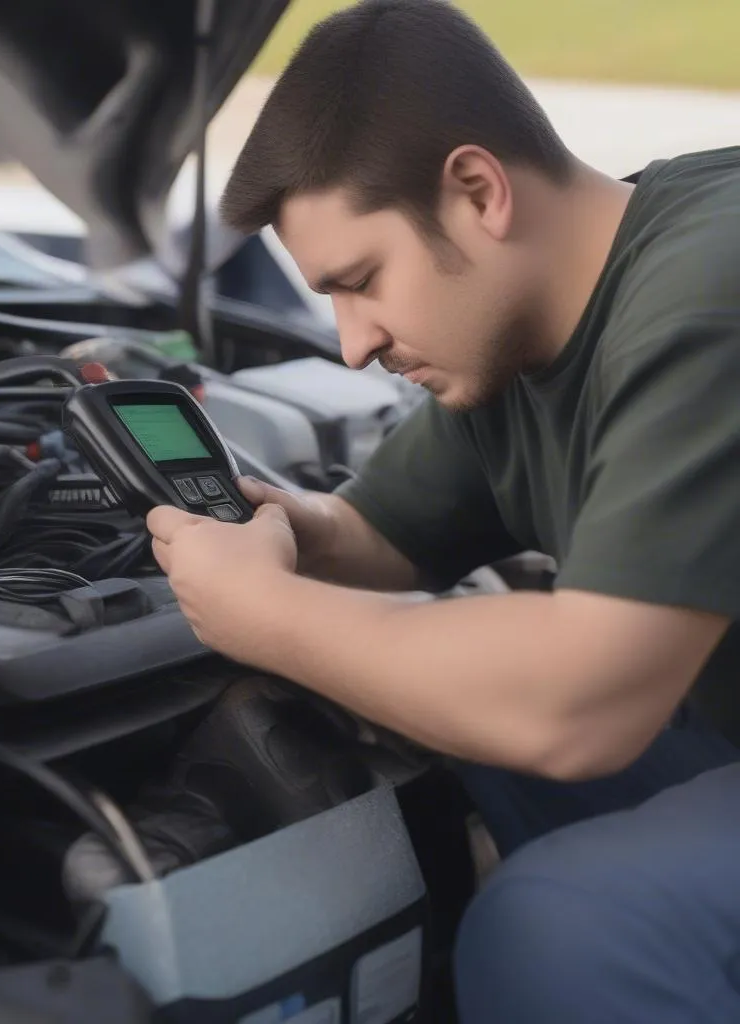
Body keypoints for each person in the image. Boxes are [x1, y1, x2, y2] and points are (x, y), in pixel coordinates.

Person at [144, 1, 740, 1020]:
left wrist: (268, 617)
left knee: (559, 922)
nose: (351, 343)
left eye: (361, 282)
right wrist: (282, 531)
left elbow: (580, 706)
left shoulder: (706, 289)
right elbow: (382, 537)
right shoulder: (520, 330)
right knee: (432, 716)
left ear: (476, 190)